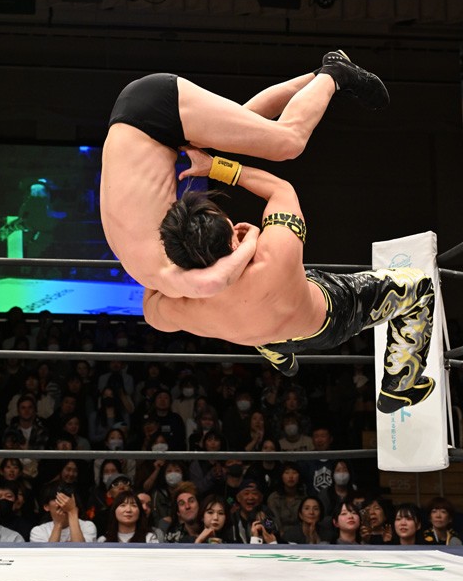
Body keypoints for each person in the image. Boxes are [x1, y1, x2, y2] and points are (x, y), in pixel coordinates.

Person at [145, 144, 435, 415]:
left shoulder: (183, 308)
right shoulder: (273, 253)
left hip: (265, 338)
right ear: (233, 238)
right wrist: (213, 167)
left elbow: (150, 298)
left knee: (265, 326)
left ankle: (282, 360)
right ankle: (399, 386)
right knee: (419, 286)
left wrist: (164, 265)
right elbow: (280, 190)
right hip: (328, 318)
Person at [101, 53, 389, 299]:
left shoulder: (165, 273)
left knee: (288, 142)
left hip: (154, 114)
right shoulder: (150, 269)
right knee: (247, 123)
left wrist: (250, 240)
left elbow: (215, 282)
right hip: (144, 117)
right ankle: (318, 77)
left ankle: (336, 73)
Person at [29, 483, 97, 543]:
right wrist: (58, 524)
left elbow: (80, 551)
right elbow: (49, 553)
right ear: (46, 507)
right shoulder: (38, 531)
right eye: (57, 498)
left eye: (66, 498)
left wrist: (72, 512)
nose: (63, 503)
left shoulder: (87, 526)